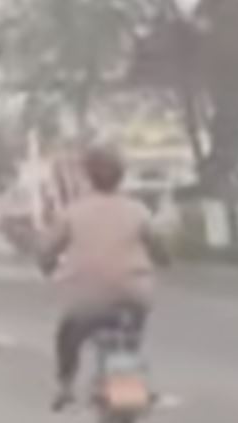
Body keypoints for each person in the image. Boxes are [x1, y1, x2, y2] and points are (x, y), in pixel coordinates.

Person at [38, 145, 170, 411]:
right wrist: (161, 261)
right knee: (130, 336)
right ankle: (132, 372)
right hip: (132, 295)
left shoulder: (74, 213)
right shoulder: (137, 211)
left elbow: (47, 251)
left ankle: (66, 385)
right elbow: (159, 248)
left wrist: (48, 267)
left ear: (88, 176)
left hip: (86, 299)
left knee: (68, 335)